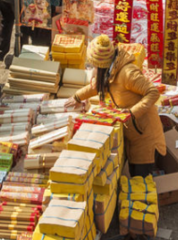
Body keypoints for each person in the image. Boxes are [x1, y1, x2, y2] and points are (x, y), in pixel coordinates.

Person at [67, 36, 165, 176]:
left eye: (94, 66)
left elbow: (153, 92)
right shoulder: (109, 71)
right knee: (133, 176)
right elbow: (97, 86)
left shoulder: (128, 73)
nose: (93, 69)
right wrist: (77, 97)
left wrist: (132, 112)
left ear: (101, 64)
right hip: (131, 130)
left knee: (141, 178)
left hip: (145, 134)